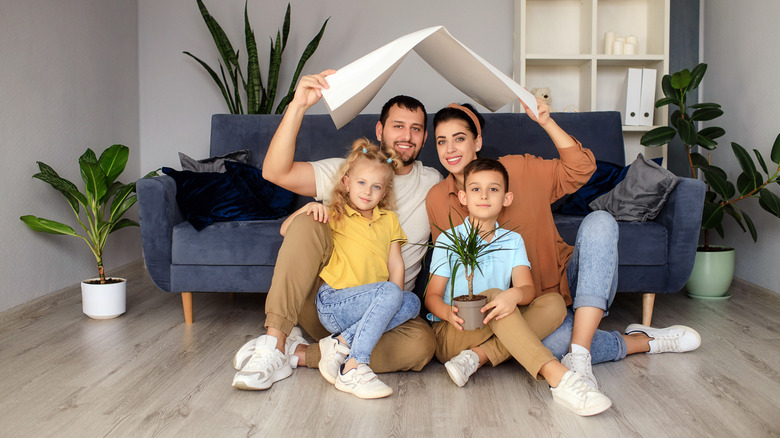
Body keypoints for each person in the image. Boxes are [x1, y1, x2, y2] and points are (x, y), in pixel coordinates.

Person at [425, 101, 701, 394]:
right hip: (508, 310)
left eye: (460, 139)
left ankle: (580, 356)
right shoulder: (438, 199)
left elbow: (582, 168)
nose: (451, 150)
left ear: (477, 141)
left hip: (556, 286)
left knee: (601, 222)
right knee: (551, 344)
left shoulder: (519, 168)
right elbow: (453, 267)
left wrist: (547, 122)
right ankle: (640, 341)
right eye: (442, 141)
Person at [231, 70, 442, 391]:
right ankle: (274, 342)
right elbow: (274, 172)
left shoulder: (433, 182)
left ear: (425, 138)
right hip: (326, 305)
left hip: (385, 316)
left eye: (416, 129)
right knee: (308, 220)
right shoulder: (347, 171)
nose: (406, 136)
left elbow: (476, 178)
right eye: (398, 125)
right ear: (380, 129)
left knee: (422, 346)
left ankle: (303, 354)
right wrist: (298, 105)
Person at [426, 157, 612, 416]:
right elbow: (432, 296)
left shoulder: (512, 240)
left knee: (553, 303)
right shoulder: (449, 239)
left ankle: (477, 357)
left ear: (507, 198)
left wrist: (514, 294)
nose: (484, 195)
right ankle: (559, 379)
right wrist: (448, 313)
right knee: (491, 296)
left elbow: (527, 290)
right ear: (463, 197)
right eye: (475, 189)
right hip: (455, 331)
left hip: (495, 325)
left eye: (493, 189)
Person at [277, 138, 420, 399]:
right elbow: (285, 230)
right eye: (361, 183)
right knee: (391, 293)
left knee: (411, 302)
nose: (367, 191)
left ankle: (340, 345)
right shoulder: (334, 212)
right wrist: (307, 208)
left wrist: (394, 299)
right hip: (335, 303)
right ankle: (354, 367)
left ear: (384, 192)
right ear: (347, 183)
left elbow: (395, 263)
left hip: (372, 303)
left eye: (376, 187)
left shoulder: (389, 219)